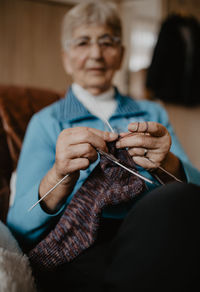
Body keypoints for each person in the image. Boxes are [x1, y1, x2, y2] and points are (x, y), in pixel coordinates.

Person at [7, 1, 200, 291]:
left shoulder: (152, 115)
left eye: (107, 42)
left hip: (153, 230)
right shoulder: (47, 121)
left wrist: (168, 163)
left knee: (179, 201)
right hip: (78, 246)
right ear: (67, 58)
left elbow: (194, 193)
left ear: (121, 54)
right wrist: (59, 175)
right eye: (83, 42)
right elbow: (19, 225)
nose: (96, 54)